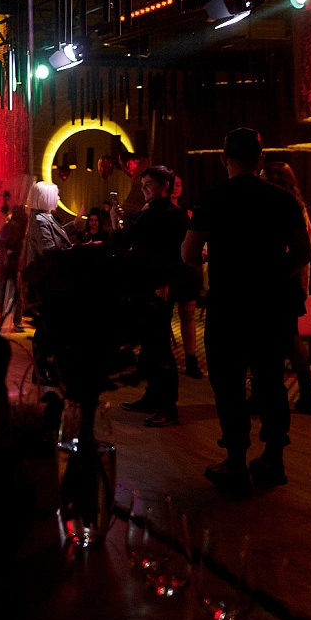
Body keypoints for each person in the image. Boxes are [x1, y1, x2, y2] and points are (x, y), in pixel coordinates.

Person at [182, 128, 310, 492]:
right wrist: (274, 274)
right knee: (270, 380)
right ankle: (273, 458)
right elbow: (303, 253)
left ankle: (236, 461)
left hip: (228, 303)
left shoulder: (213, 198)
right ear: (261, 159)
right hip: (271, 304)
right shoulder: (283, 200)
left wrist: (212, 260)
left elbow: (189, 254)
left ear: (224, 159)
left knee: (228, 383)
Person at [115, 166, 190, 426]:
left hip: (158, 286)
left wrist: (165, 282)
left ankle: (168, 407)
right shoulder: (148, 212)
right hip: (142, 284)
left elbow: (177, 255)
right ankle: (152, 396)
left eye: (149, 184)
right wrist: (116, 223)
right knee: (149, 346)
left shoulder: (174, 216)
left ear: (165, 186)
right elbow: (123, 243)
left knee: (159, 348)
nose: (144, 189)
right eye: (143, 184)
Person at [260, 161, 311, 413]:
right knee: (291, 337)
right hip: (291, 277)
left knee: (266, 339)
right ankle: (306, 395)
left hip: (275, 275)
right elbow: (306, 251)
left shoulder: (275, 205)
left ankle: (266, 396)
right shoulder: (298, 206)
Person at [169, 175, 203, 382]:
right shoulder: (157, 210)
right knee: (164, 315)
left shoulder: (188, 212)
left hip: (186, 268)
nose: (176, 187)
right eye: (173, 184)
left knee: (188, 313)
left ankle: (191, 359)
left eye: (179, 184)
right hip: (168, 268)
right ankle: (164, 359)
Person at [21, 181, 73, 312]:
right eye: (56, 195)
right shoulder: (41, 221)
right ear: (46, 198)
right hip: (48, 280)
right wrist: (79, 250)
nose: (58, 198)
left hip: (50, 279)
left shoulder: (44, 217)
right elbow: (49, 253)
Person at [0, 202, 29, 335]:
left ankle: (1, 320)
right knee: (5, 295)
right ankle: (11, 321)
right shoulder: (14, 227)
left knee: (8, 295)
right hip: (5, 266)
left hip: (10, 265)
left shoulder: (17, 228)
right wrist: (6, 252)